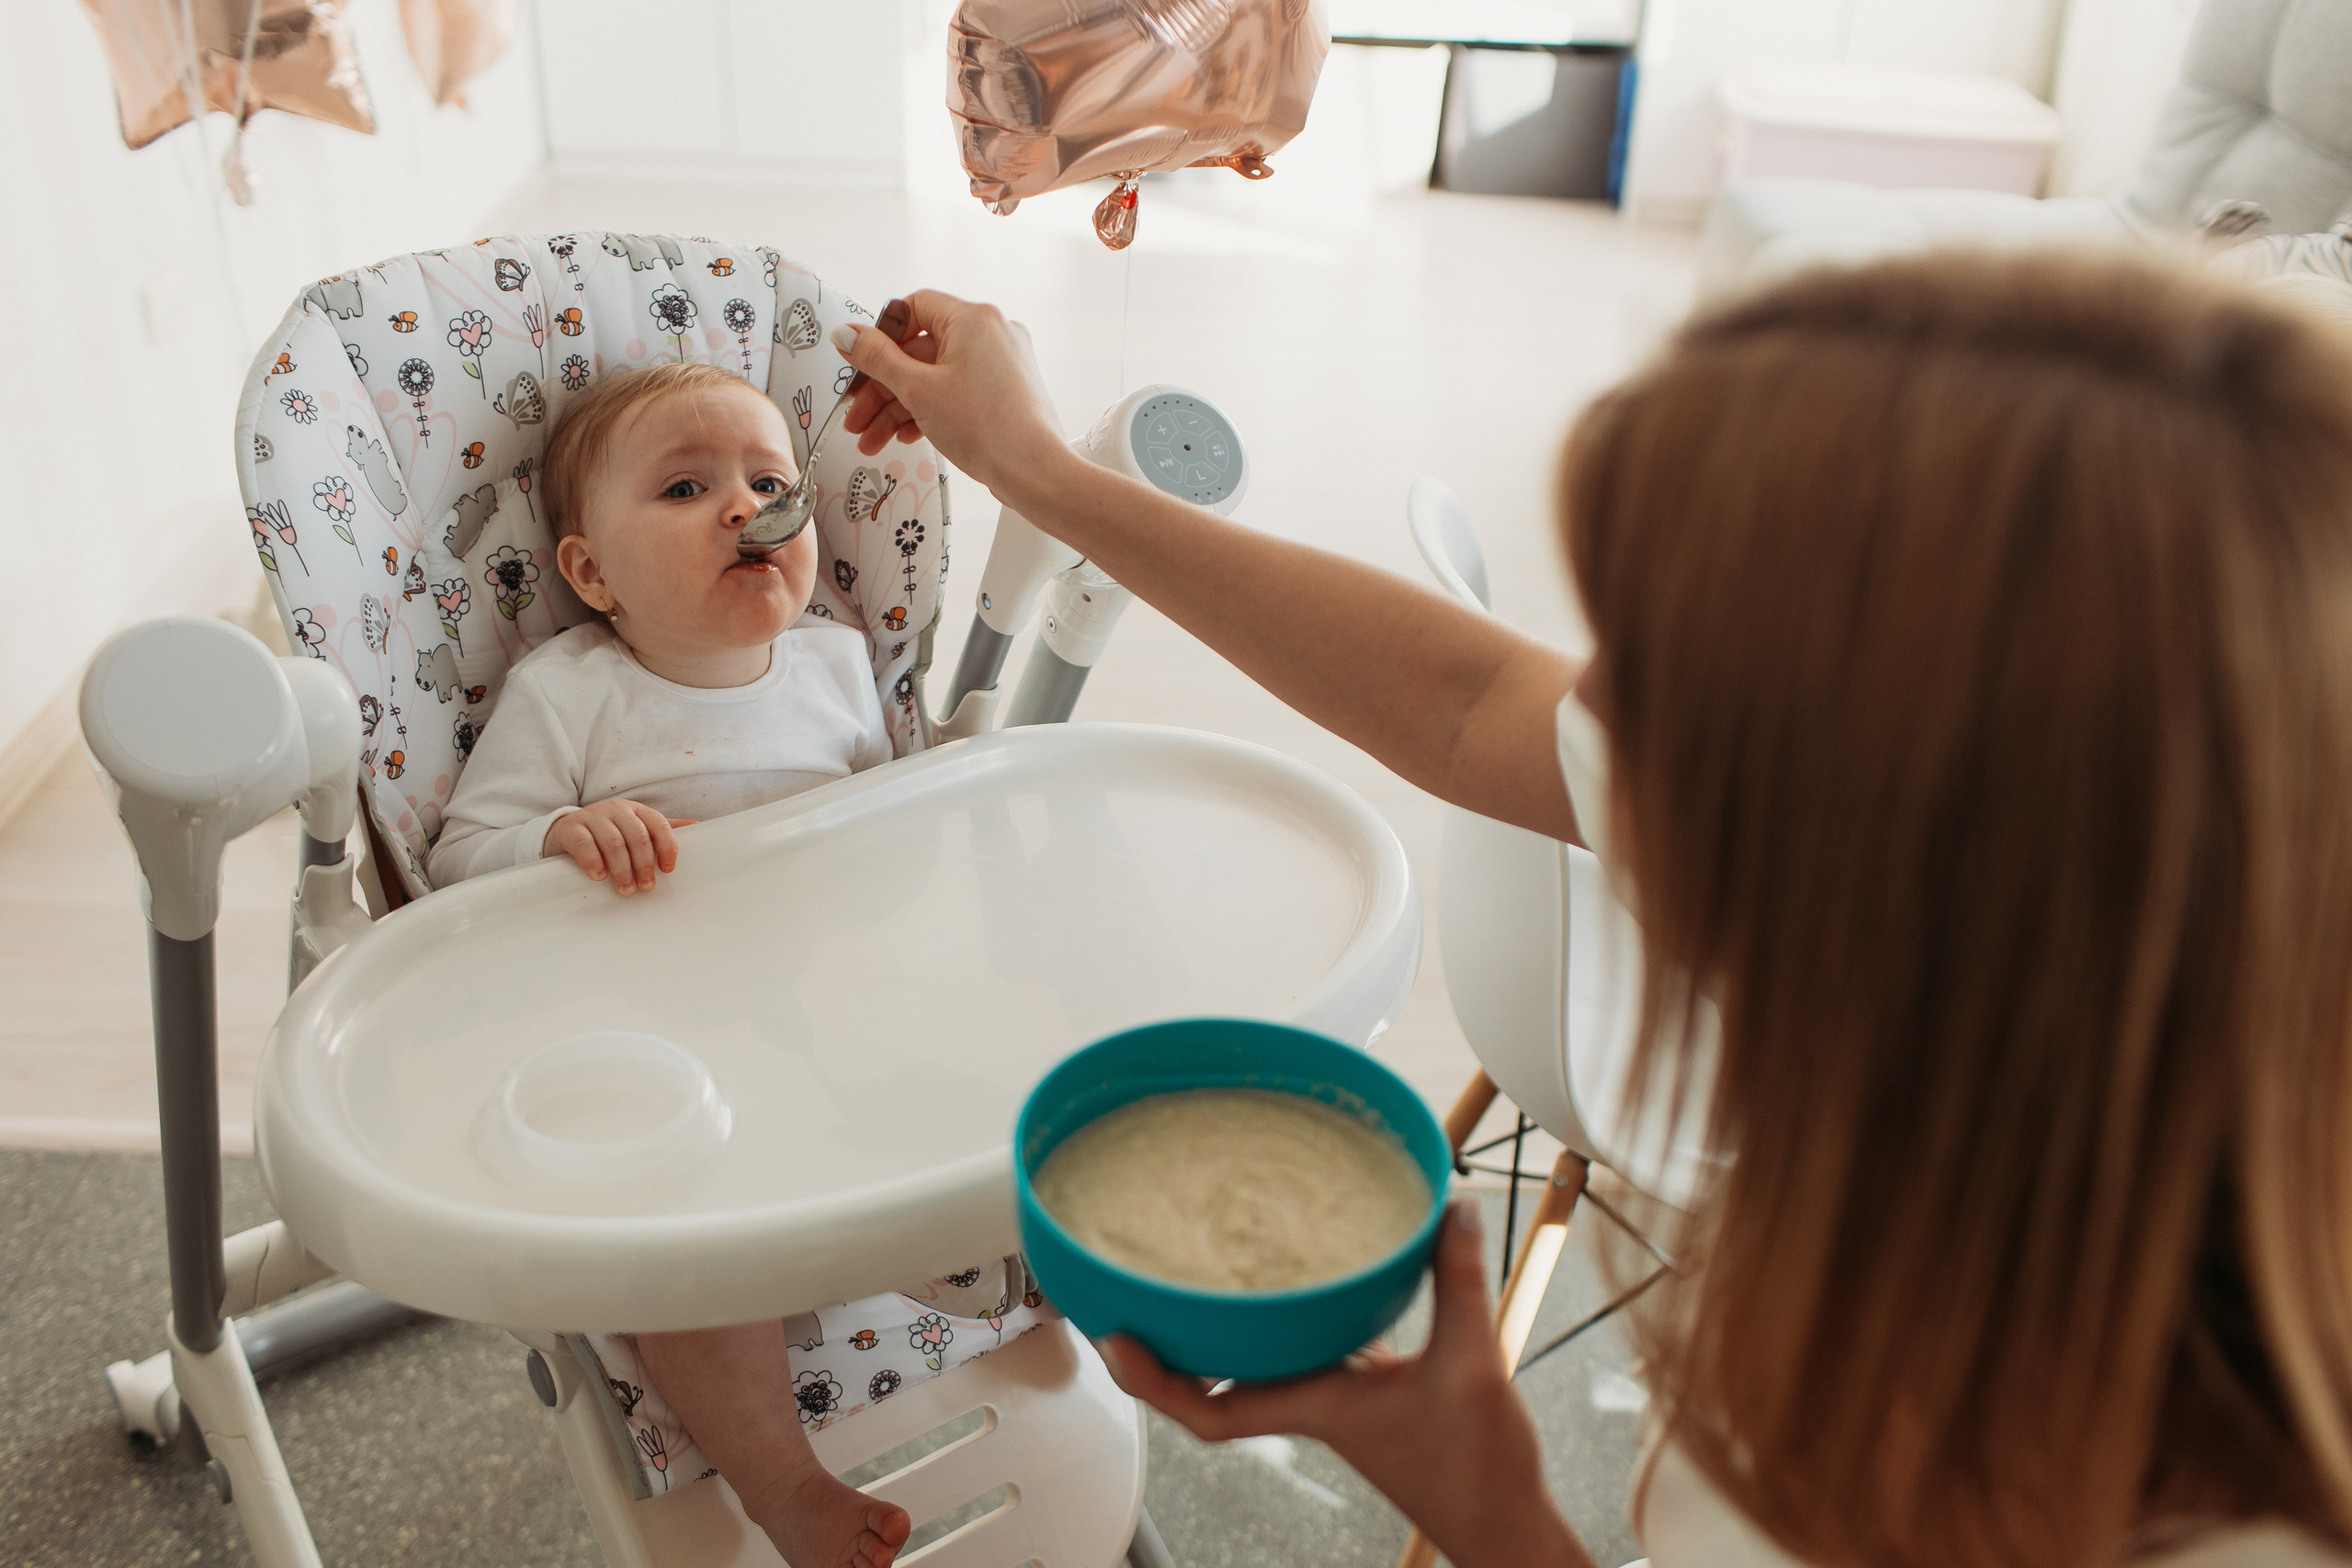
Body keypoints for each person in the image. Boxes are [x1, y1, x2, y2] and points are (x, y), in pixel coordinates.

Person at [828, 253, 2352, 1568]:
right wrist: (1041, 470)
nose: (1603, 720)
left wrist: (1501, 1522)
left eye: (1676, 674)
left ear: (1909, 878)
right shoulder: (2059, 972)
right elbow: (1477, 696)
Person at [432, 360, 1035, 1568]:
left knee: (1005, 1101)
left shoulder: (835, 665)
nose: (741, 507)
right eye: (685, 487)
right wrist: (561, 838)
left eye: (769, 481)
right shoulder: (573, 696)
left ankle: (1036, 1285)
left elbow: (894, 847)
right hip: (666, 1057)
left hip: (844, 1018)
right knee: (687, 1268)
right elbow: (458, 865)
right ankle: (781, 1484)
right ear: (593, 574)